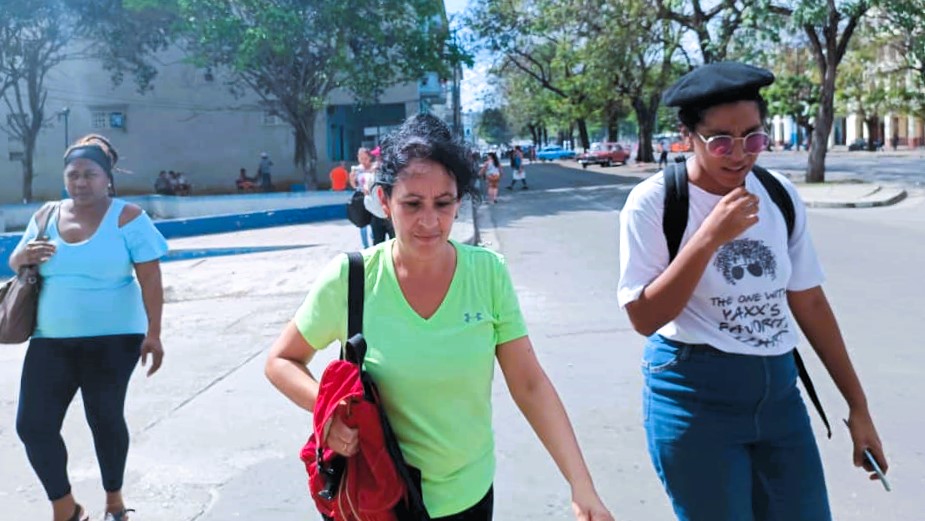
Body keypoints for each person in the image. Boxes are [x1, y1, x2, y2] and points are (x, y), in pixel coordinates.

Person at [265, 113, 615, 521]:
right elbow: (281, 361)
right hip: (378, 500)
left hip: (468, 499)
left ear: (458, 201)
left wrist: (581, 483)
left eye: (443, 203)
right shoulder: (352, 278)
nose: (429, 221)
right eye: (412, 204)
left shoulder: (487, 273)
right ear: (384, 201)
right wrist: (325, 411)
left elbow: (530, 384)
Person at [617, 62, 887, 521]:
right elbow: (644, 318)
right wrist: (708, 237)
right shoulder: (655, 202)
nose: (739, 154)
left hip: (779, 396)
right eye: (721, 140)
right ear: (688, 137)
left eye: (754, 138)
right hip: (694, 399)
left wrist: (857, 407)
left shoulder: (779, 195)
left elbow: (811, 301)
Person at [10, 134, 168, 521]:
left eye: (90, 174)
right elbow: (17, 263)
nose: (81, 182)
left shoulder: (128, 217)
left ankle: (114, 500)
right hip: (51, 338)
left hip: (115, 339)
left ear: (107, 178)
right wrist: (21, 255)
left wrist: (154, 333)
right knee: (33, 425)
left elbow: (150, 279)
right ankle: (65, 507)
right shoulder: (45, 216)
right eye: (73, 174)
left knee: (104, 416)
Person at [349, 147, 376, 248]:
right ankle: (365, 246)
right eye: (361, 158)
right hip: (361, 198)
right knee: (362, 223)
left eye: (365, 158)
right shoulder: (357, 169)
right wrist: (352, 178)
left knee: (374, 222)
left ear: (370, 157)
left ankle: (374, 241)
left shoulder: (375, 168)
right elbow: (354, 186)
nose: (363, 161)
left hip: (373, 197)